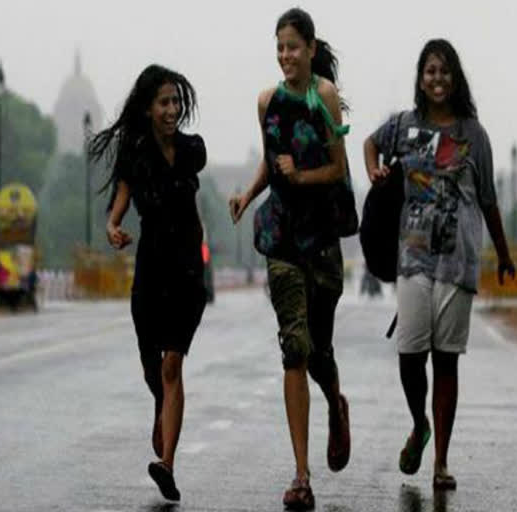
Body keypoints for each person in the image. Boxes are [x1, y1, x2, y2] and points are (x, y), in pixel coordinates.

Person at [363, 39, 515, 490]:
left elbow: (487, 200)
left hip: (458, 261)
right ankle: (418, 424)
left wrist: (504, 254)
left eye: (445, 71)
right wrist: (373, 170)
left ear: (456, 78)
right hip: (411, 257)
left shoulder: (474, 134)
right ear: (420, 77)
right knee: (411, 354)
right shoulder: (405, 126)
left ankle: (442, 461)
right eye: (430, 71)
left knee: (446, 360)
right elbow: (370, 144)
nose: (437, 79)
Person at [230, 8, 351, 510]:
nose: (285, 57)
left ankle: (336, 404)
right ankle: (301, 474)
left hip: (320, 237)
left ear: (311, 48)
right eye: (279, 48)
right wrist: (249, 193)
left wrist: (299, 175)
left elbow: (337, 168)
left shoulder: (323, 97)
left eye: (293, 47)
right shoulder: (266, 102)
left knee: (319, 350)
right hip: (279, 236)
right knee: (294, 347)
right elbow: (269, 154)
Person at [87, 64, 207, 502]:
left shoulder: (193, 150)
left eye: (176, 101)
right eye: (164, 102)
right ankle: (160, 401)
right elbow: (119, 202)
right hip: (150, 271)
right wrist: (113, 227)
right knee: (152, 368)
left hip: (188, 272)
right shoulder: (135, 154)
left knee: (173, 365)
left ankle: (167, 464)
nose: (172, 109)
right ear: (149, 108)